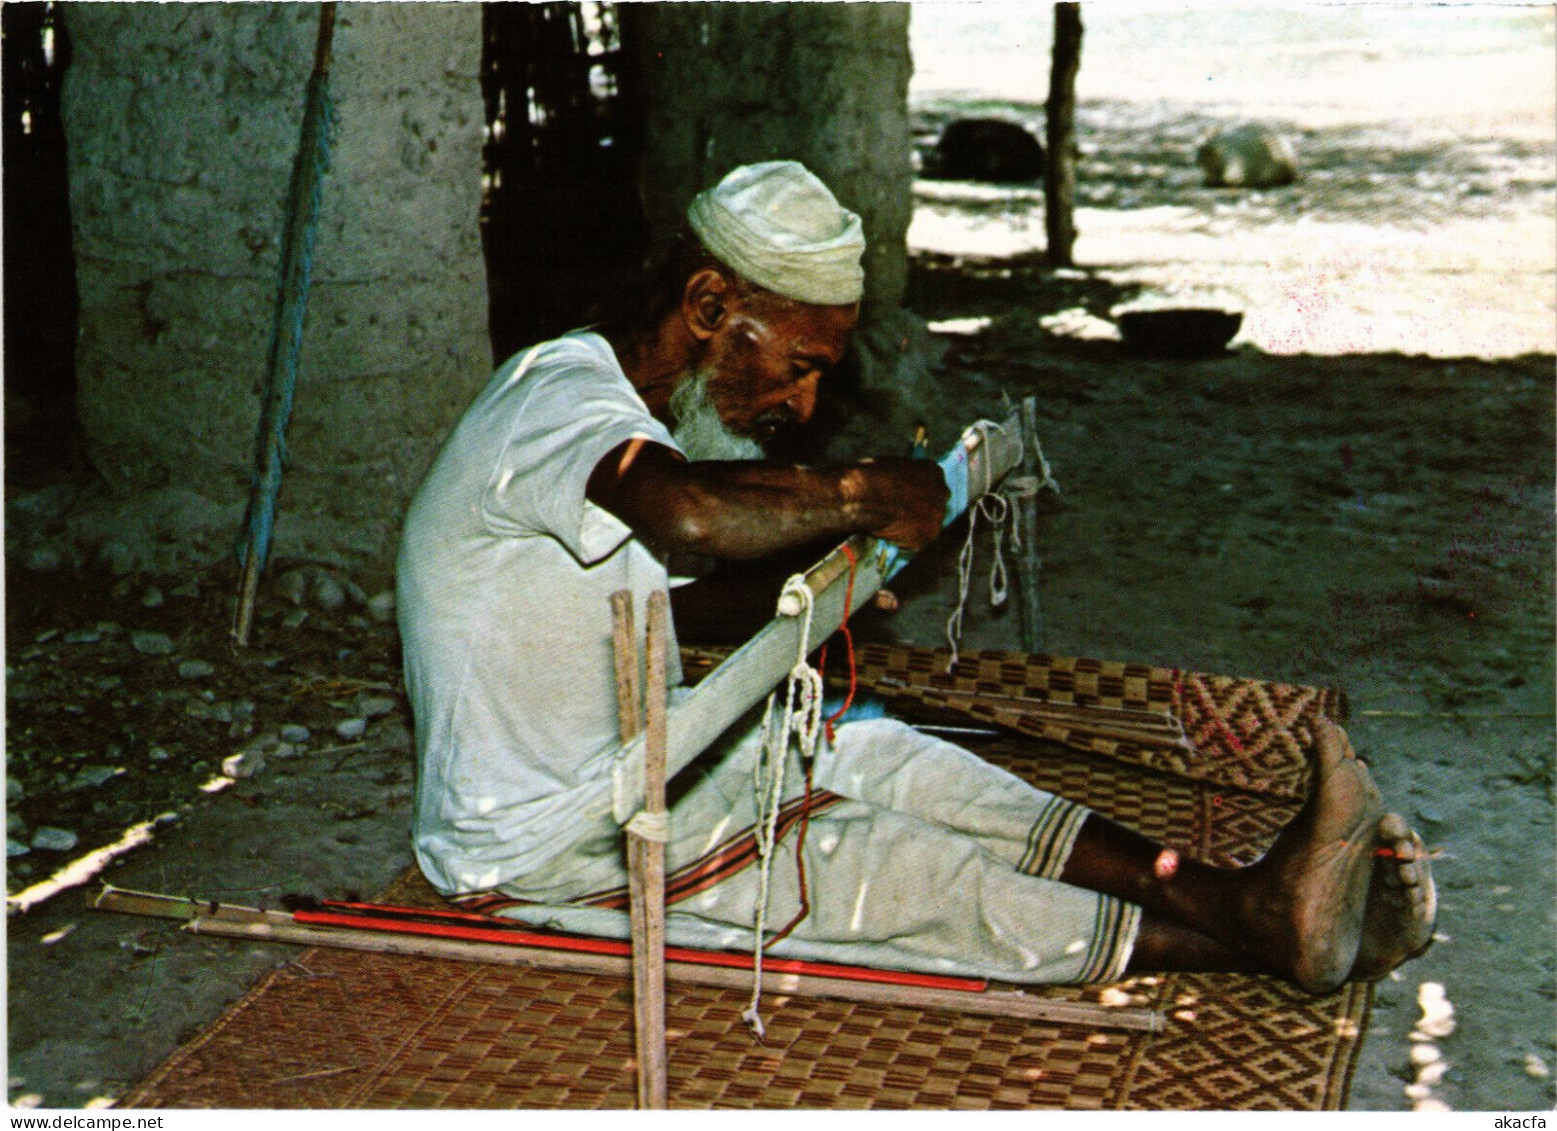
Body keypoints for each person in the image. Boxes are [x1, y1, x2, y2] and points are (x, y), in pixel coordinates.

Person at [397, 161, 1434, 993]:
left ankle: (1230, 898)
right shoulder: (558, 404)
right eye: (798, 363)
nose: (799, 406)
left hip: (639, 758)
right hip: (535, 841)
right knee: (889, 869)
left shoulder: (611, 417)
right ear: (712, 302)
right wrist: (856, 491)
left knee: (902, 761)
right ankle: (1260, 940)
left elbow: (623, 607)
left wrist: (788, 606)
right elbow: (690, 511)